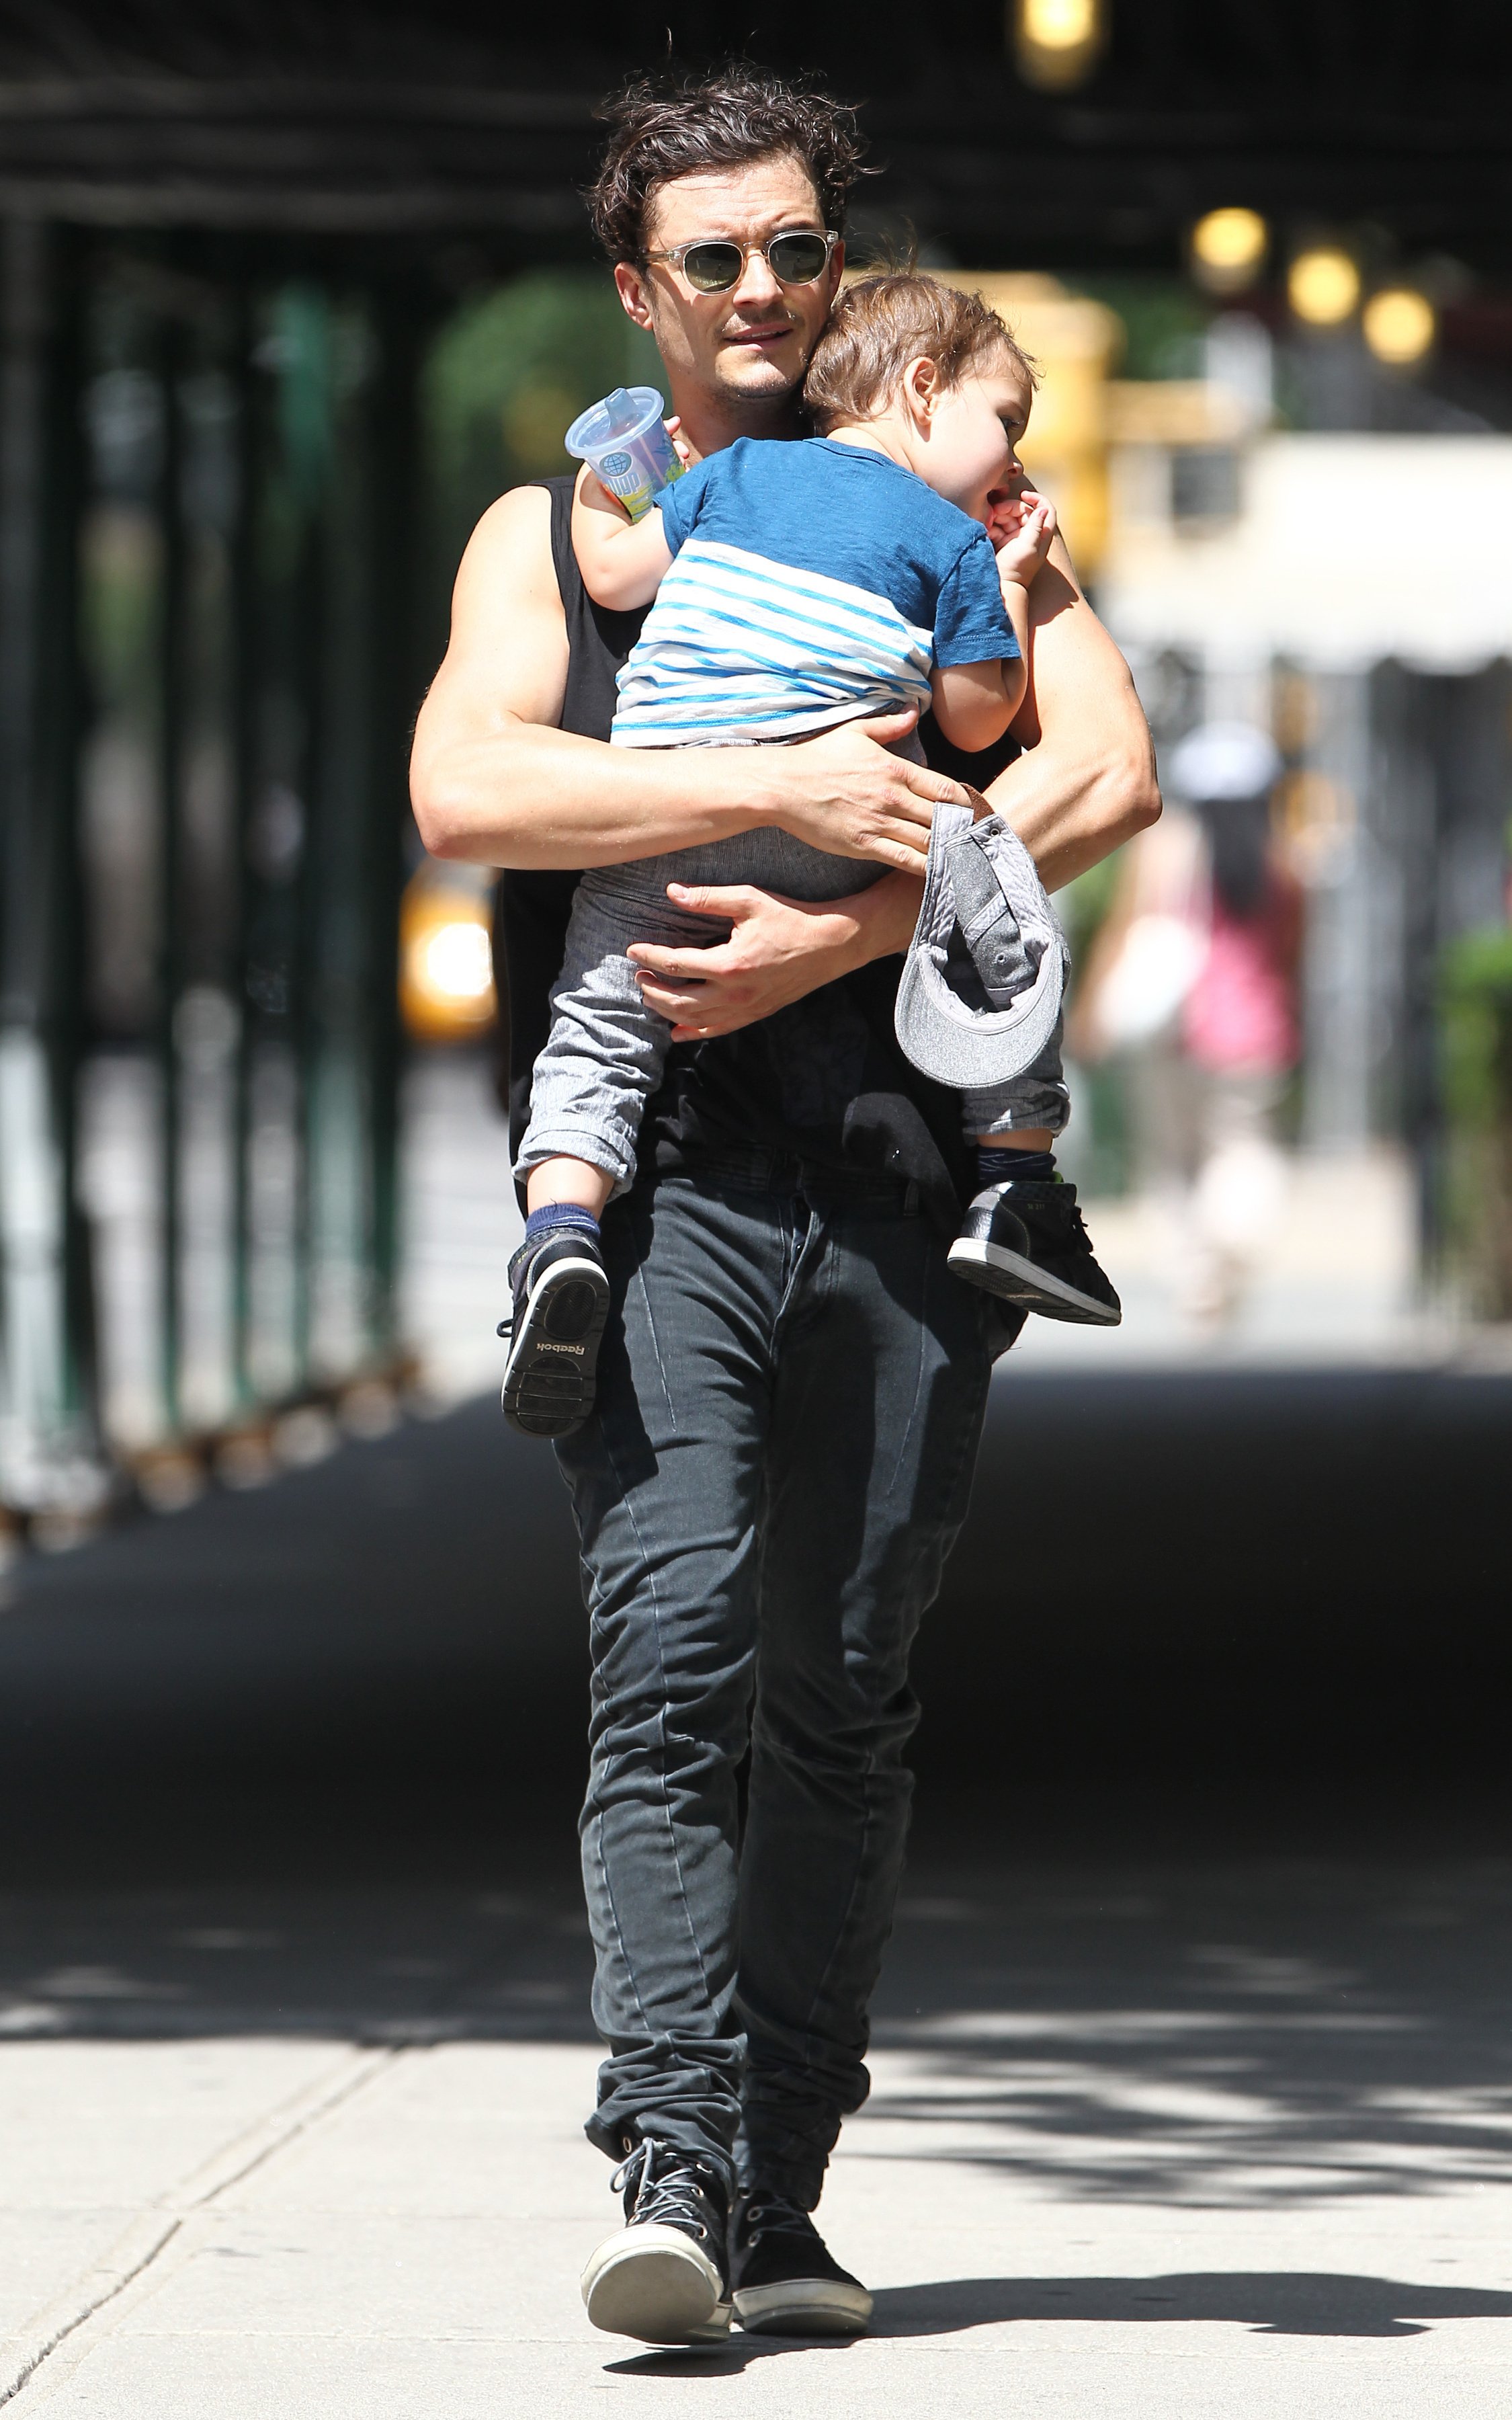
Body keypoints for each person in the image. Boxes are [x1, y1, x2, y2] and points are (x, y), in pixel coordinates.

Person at [410, 64, 1158, 2351]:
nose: (759, 286)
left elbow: (1104, 765)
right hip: (666, 1196)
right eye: (711, 255)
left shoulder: (967, 498)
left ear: (842, 269)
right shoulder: (567, 540)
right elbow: (469, 785)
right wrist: (781, 780)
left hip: (914, 1190)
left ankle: (779, 2188)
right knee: (673, 1662)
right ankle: (671, 2148)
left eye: (796, 248)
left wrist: (854, 916)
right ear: (638, 288)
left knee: (845, 1695)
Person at [503, 270, 1120, 1439]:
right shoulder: (950, 539)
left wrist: (599, 486)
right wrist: (1006, 578)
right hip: (843, 837)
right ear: (925, 389)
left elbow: (613, 572)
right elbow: (977, 721)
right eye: (1006, 424)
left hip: (672, 817)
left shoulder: (732, 475)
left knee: (596, 1024)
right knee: (998, 915)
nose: (1013, 459)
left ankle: (562, 1234)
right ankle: (1018, 1182)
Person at [1075, 720, 1301, 1326]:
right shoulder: (1284, 860)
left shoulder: (1166, 847)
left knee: (1172, 1155)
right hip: (1254, 1034)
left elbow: (1124, 929)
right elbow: (1291, 952)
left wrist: (1092, 1012)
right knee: (1242, 1143)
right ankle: (1231, 1242)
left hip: (1170, 1030)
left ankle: (1196, 1273)